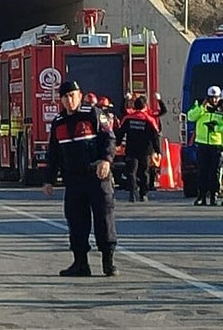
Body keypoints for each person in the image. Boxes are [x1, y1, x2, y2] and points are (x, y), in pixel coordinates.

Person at [43, 80, 118, 277]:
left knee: (103, 218)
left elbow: (109, 138)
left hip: (97, 176)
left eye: (73, 95)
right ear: (61, 100)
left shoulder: (92, 113)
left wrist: (106, 160)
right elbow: (54, 153)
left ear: (80, 95)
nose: (69, 100)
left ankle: (108, 261)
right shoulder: (58, 122)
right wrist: (49, 179)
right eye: (65, 97)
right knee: (76, 221)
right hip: (74, 180)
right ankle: (80, 263)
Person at [115, 97, 161, 203]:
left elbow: (121, 132)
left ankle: (133, 193)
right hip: (145, 151)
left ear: (134, 106)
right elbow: (155, 137)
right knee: (144, 173)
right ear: (145, 106)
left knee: (131, 172)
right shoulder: (149, 120)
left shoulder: (128, 118)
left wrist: (117, 144)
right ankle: (143, 194)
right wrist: (158, 151)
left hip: (131, 149)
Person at [186, 86, 223, 206]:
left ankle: (214, 195)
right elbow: (190, 116)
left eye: (216, 98)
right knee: (202, 171)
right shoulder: (200, 106)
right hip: (202, 144)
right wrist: (202, 108)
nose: (214, 100)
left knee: (215, 172)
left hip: (216, 144)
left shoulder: (222, 109)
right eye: (211, 98)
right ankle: (201, 196)